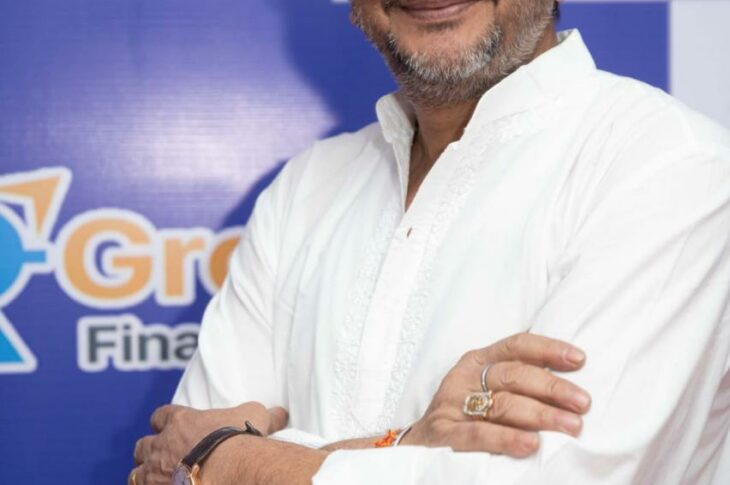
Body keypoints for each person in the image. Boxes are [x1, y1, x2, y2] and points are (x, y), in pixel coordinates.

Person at [131, 0, 730, 483]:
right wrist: (410, 443)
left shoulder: (671, 164)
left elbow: (561, 478)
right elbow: (175, 460)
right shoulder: (305, 187)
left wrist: (233, 462)